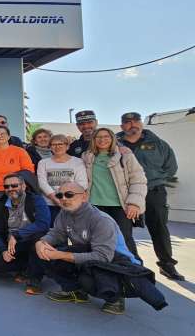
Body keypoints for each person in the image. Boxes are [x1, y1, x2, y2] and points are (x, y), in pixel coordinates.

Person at [33, 182, 145, 315]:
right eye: (60, 195)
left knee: (87, 279)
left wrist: (60, 255)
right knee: (43, 251)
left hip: (116, 262)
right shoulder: (65, 213)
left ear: (84, 196)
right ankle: (75, 291)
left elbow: (103, 257)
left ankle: (115, 298)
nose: (64, 198)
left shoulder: (101, 220)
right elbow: (57, 233)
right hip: (88, 252)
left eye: (70, 195)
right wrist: (41, 242)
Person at [117, 112, 183, 280]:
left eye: (136, 121)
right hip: (124, 194)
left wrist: (154, 179)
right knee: (125, 231)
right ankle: (133, 265)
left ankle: (167, 265)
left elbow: (170, 167)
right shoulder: (114, 144)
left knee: (159, 228)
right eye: (128, 122)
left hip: (153, 191)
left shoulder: (158, 144)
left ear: (141, 123)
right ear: (122, 126)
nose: (132, 125)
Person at [82, 128, 147, 259]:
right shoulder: (86, 156)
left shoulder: (125, 155)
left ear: (112, 139)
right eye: (98, 137)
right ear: (93, 140)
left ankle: (135, 272)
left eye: (106, 136)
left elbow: (138, 180)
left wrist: (134, 203)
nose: (102, 140)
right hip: (95, 206)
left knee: (124, 240)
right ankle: (106, 272)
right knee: (97, 240)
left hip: (120, 206)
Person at [0, 173, 51, 293]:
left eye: (14, 185)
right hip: (13, 246)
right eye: (7, 187)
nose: (10, 189)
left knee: (38, 239)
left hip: (32, 240)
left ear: (23, 186)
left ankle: (34, 280)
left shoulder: (36, 200)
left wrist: (17, 235)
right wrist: (3, 250)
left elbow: (44, 224)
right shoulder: (1, 205)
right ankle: (25, 266)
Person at [0, 126, 34, 244]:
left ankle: (17, 245)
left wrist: (22, 187)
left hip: (15, 191)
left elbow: (28, 171)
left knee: (16, 220)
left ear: (9, 136)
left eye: (2, 134)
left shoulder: (19, 151)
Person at [37, 134, 88, 224]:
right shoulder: (43, 163)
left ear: (67, 146)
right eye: (54, 144)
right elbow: (42, 183)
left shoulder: (77, 162)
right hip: (50, 204)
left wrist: (67, 198)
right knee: (53, 232)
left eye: (61, 144)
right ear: (50, 147)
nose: (57, 147)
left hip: (72, 202)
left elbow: (82, 183)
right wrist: (56, 199)